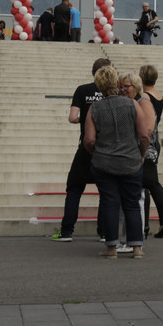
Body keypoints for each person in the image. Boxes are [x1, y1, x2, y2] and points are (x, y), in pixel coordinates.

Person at [84, 65, 150, 259]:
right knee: (132, 204)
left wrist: (97, 153)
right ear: (117, 83)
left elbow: (89, 140)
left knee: (109, 203)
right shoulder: (133, 105)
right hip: (131, 161)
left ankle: (111, 247)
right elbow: (144, 135)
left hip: (104, 163)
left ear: (99, 86)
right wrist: (141, 154)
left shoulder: (94, 108)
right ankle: (136, 247)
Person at [51, 57, 112, 242]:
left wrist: (84, 120)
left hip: (86, 146)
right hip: (107, 148)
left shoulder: (82, 90)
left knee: (75, 188)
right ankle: (104, 232)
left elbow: (72, 117)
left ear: (93, 72)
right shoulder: (113, 93)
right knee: (106, 191)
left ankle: (66, 231)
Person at [139, 64, 163, 239]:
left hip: (148, 143)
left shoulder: (145, 97)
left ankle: (147, 225)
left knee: (148, 184)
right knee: (150, 183)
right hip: (155, 142)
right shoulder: (159, 96)